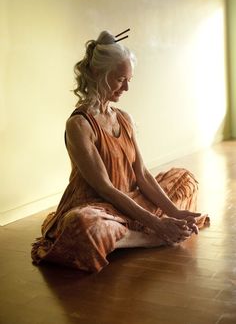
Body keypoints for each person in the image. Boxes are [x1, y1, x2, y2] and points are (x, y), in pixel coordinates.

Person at [31, 29, 209, 273]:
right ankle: (151, 238)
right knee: (83, 225)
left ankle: (134, 234)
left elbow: (143, 176)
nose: (126, 87)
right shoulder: (79, 125)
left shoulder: (124, 118)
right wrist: (157, 224)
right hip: (99, 205)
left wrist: (174, 211)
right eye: (119, 79)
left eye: (129, 80)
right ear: (97, 74)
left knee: (186, 179)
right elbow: (105, 189)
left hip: (131, 197)